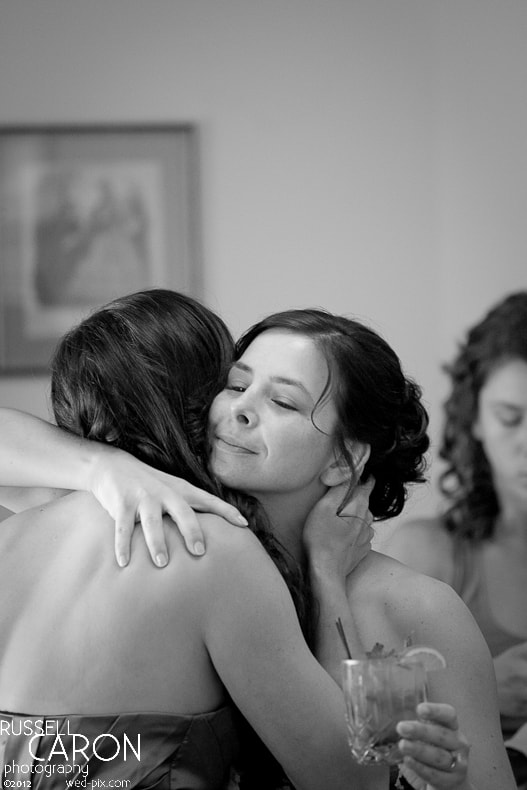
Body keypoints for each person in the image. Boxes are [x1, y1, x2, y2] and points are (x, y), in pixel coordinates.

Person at [0, 290, 471, 790]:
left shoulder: (17, 530)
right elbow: (358, 780)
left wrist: (99, 464)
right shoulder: (212, 550)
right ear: (196, 405)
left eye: (283, 400)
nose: (240, 410)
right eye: (233, 385)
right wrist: (326, 574)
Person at [378, 291, 527, 788]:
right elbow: (369, 734)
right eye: (511, 418)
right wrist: (478, 696)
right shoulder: (426, 555)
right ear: (476, 419)